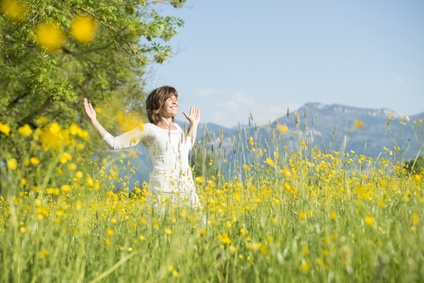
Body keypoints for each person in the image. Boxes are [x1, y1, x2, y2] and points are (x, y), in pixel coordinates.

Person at [83, 85, 202, 209]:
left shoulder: (177, 128)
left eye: (175, 99)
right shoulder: (148, 129)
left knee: (199, 226)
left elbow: (187, 146)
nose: (175, 102)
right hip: (162, 192)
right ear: (159, 103)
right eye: (170, 99)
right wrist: (93, 121)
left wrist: (194, 124)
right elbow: (115, 143)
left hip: (187, 190)